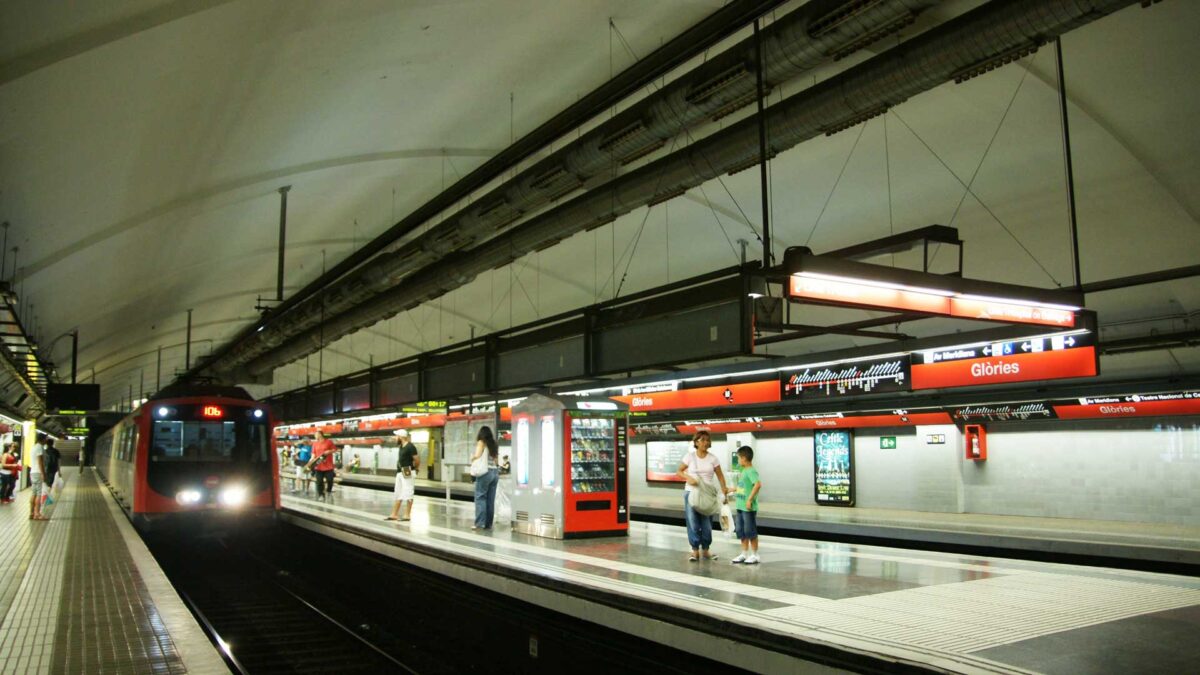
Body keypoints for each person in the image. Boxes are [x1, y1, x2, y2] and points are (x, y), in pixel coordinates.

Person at [676, 430, 728, 562]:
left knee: (706, 524)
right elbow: (679, 471)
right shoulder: (689, 456)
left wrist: (724, 492)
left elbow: (720, 476)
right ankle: (695, 551)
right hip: (691, 492)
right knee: (692, 522)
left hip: (707, 494)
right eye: (702, 440)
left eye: (707, 440)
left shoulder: (713, 458)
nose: (705, 442)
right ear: (696, 442)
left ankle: (705, 550)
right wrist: (688, 478)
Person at [729, 446, 762, 565]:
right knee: (741, 530)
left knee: (750, 530)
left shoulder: (751, 471)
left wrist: (750, 500)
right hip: (740, 507)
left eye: (738, 458)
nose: (738, 460)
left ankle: (755, 554)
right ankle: (744, 553)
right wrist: (732, 489)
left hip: (748, 508)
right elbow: (742, 487)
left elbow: (757, 484)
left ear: (744, 458)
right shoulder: (744, 471)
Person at [469, 426, 500, 530]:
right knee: (490, 500)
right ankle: (488, 524)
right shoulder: (493, 444)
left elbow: (477, 455)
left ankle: (479, 524)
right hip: (494, 473)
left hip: (485, 473)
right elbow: (496, 461)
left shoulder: (481, 442)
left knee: (480, 497)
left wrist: (472, 458)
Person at [386, 431, 419, 521]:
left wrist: (414, 469)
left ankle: (407, 515)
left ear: (401, 437)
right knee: (398, 492)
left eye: (396, 436)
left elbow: (416, 460)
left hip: (408, 471)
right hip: (400, 472)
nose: (395, 438)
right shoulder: (401, 446)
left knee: (408, 492)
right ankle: (394, 514)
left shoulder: (410, 447)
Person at [306, 431, 337, 499]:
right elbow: (313, 455)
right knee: (319, 482)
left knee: (330, 480)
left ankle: (329, 491)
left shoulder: (329, 442)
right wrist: (309, 463)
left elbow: (335, 449)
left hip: (328, 466)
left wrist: (329, 451)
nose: (314, 436)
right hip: (318, 466)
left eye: (315, 434)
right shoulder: (315, 444)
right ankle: (321, 495)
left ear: (320, 434)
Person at [29, 437, 47, 520]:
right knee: (39, 493)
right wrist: (43, 473)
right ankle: (37, 513)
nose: (46, 441)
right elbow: (40, 461)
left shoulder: (33, 447)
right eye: (45, 439)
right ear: (42, 439)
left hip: (32, 472)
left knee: (34, 493)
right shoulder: (39, 447)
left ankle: (31, 513)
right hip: (38, 472)